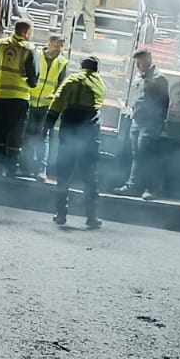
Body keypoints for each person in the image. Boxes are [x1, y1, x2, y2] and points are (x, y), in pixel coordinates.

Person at [49, 55, 106, 229]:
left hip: (70, 128)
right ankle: (92, 217)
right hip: (90, 132)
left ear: (82, 67)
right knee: (90, 176)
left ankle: (61, 214)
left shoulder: (72, 79)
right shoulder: (100, 84)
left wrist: (49, 123)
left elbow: (58, 100)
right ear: (96, 69)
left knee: (64, 173)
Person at [0, 21, 39, 177]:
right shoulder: (30, 48)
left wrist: (0, 79)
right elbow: (34, 74)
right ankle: (11, 167)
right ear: (27, 32)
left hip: (1, 94)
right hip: (20, 96)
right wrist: (30, 84)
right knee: (16, 131)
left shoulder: (0, 44)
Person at [115, 48, 169, 199]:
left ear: (149, 60)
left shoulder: (159, 79)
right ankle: (133, 186)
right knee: (137, 155)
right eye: (137, 63)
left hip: (151, 123)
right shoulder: (139, 77)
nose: (138, 66)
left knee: (148, 155)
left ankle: (152, 188)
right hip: (137, 121)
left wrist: (159, 123)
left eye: (140, 62)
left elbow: (164, 103)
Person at [26, 35, 69, 176]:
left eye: (62, 46)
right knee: (28, 135)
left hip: (47, 105)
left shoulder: (62, 62)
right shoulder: (36, 55)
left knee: (43, 136)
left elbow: (62, 83)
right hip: (29, 101)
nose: (59, 49)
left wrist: (55, 95)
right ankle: (27, 166)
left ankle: (41, 170)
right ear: (49, 43)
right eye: (57, 45)